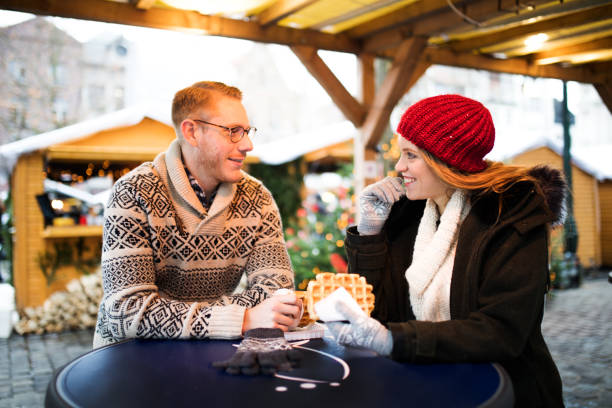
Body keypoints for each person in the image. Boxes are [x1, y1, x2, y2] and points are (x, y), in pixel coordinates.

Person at [328, 94, 565, 407]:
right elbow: (374, 308)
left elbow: (501, 331)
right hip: (427, 385)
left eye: (410, 155)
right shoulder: (408, 214)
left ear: (447, 160)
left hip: (504, 392)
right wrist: (370, 233)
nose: (399, 167)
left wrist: (394, 339)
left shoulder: (511, 217)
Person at [94, 81, 301, 348]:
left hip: (210, 349)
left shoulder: (257, 198)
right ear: (191, 132)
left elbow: (277, 293)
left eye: (247, 131)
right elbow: (125, 312)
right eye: (233, 131)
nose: (248, 144)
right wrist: (242, 318)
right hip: (128, 357)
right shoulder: (133, 192)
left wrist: (177, 314)